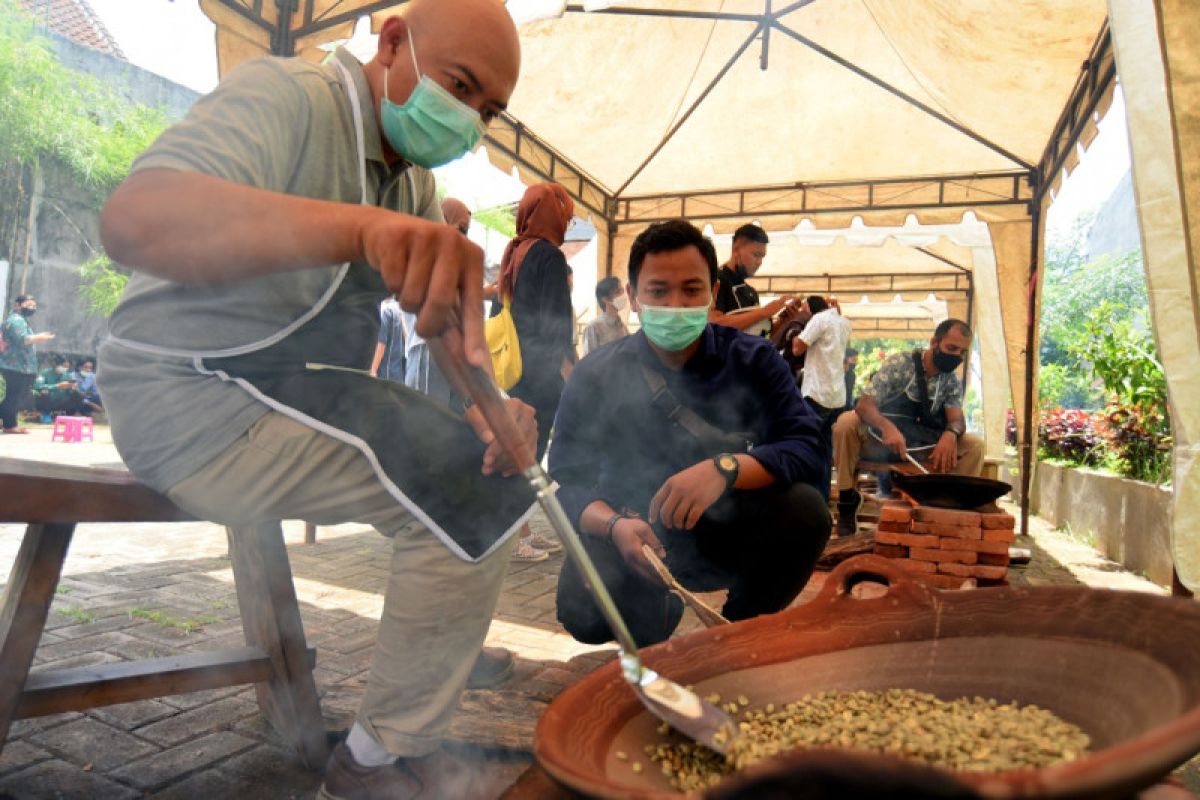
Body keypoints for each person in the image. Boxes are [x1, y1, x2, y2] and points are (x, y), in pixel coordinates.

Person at [95, 3, 538, 796]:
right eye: (460, 86)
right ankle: (378, 765)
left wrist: (495, 411)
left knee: (483, 473)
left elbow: (439, 323)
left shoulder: (414, 178)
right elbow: (134, 220)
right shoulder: (289, 98)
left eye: (488, 110)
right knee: (457, 490)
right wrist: (361, 231)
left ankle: (399, 731)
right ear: (394, 40)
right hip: (181, 394)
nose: (467, 118)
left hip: (274, 395)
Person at [551, 220, 832, 647]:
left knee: (806, 512)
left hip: (726, 531)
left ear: (713, 293)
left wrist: (726, 468)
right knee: (582, 611)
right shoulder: (595, 373)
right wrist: (612, 527)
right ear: (633, 296)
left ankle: (735, 633)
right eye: (659, 291)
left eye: (691, 289)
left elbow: (807, 446)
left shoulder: (753, 360)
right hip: (633, 534)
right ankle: (654, 615)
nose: (676, 304)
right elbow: (568, 481)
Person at [831, 319, 984, 536]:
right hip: (877, 441)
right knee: (846, 422)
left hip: (918, 446)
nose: (956, 356)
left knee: (974, 445)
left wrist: (950, 434)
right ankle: (847, 502)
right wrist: (887, 427)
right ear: (934, 342)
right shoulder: (900, 364)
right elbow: (864, 405)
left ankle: (948, 508)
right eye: (951, 348)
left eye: (962, 352)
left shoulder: (950, 381)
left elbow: (956, 419)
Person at [499, 182, 576, 560]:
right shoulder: (549, 255)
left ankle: (523, 530)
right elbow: (558, 322)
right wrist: (570, 370)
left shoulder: (515, 250)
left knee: (521, 449)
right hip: (542, 372)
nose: (567, 220)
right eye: (563, 212)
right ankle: (514, 536)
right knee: (529, 454)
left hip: (515, 369)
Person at [397, 197, 475, 407]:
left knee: (439, 427)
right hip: (428, 354)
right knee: (427, 426)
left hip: (439, 354)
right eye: (460, 230)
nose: (463, 239)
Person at [792, 295, 852, 467]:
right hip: (837, 397)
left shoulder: (819, 319)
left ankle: (808, 491)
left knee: (807, 446)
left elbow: (797, 348)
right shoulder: (844, 323)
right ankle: (822, 493)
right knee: (825, 449)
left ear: (810, 308)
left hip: (818, 394)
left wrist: (799, 321)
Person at [709, 223, 798, 333]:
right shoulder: (717, 280)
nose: (759, 262)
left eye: (762, 257)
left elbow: (760, 336)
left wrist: (783, 321)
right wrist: (764, 312)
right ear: (736, 250)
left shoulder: (751, 292)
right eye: (756, 255)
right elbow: (713, 325)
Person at [0, 295, 55, 434]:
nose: (32, 308)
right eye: (29, 304)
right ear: (18, 305)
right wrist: (39, 337)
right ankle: (10, 425)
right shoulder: (16, 321)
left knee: (15, 395)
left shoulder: (21, 320)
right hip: (16, 366)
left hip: (20, 366)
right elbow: (22, 340)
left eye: (34, 306)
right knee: (15, 396)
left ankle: (8, 422)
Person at [581, 276, 629, 355]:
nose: (623, 295)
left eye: (622, 291)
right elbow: (589, 361)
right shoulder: (593, 327)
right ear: (606, 299)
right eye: (618, 292)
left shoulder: (622, 326)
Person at [370, 295, 406, 383]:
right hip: (398, 371)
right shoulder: (398, 309)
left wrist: (373, 370)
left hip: (385, 373)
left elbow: (381, 343)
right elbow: (406, 336)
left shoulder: (385, 311)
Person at [841, 347, 859, 414]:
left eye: (856, 360)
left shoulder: (852, 375)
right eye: (853, 360)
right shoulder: (837, 376)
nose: (855, 363)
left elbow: (849, 394)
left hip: (846, 407)